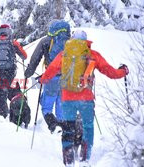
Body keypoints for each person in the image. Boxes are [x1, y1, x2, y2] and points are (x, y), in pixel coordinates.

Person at [39, 30, 129, 166]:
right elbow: (111, 72)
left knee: (68, 128)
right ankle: (84, 159)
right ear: (86, 41)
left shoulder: (64, 54)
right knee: (87, 127)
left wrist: (43, 80)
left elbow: (50, 71)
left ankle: (68, 160)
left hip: (67, 98)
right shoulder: (91, 55)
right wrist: (123, 71)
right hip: (85, 99)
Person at [24, 19, 71, 133]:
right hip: (67, 78)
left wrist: (28, 73)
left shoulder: (46, 41)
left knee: (46, 105)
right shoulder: (70, 41)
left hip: (51, 77)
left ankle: (53, 125)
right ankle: (63, 127)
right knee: (61, 104)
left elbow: (35, 58)